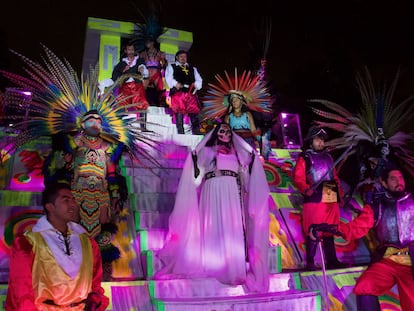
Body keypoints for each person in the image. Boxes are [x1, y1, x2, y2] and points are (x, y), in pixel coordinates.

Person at [155, 122, 270, 292]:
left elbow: (245, 180)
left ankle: (233, 268)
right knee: (213, 225)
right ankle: (211, 264)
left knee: (232, 228)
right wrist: (194, 163)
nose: (225, 133)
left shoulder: (239, 155)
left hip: (231, 193)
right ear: (216, 133)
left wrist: (252, 163)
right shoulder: (207, 152)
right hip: (211, 190)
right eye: (221, 130)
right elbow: (196, 179)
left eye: (228, 131)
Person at [5, 182, 110, 311]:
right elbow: (21, 289)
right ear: (50, 207)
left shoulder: (87, 242)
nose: (73, 204)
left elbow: (95, 283)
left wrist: (94, 303)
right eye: (66, 200)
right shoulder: (28, 242)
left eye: (73, 200)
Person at [336, 164, 414, 311]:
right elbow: (358, 226)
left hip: (412, 262)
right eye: (393, 178)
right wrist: (335, 229)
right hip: (389, 262)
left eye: (400, 177)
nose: (399, 181)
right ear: (383, 183)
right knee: (364, 286)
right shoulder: (376, 205)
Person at [292, 126, 345, 270]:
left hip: (330, 192)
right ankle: (310, 262)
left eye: (322, 139)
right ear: (311, 141)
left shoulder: (328, 157)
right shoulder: (305, 157)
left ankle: (332, 260)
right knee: (314, 229)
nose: (321, 142)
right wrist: (305, 188)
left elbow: (334, 177)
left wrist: (339, 195)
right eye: (317, 139)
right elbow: (298, 177)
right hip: (315, 194)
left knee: (330, 229)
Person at [112, 43, 150, 130]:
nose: (130, 51)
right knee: (121, 102)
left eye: (132, 49)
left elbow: (143, 68)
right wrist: (123, 71)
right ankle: (118, 127)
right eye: (129, 50)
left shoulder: (139, 60)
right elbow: (115, 75)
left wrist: (142, 69)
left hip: (137, 85)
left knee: (142, 102)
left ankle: (143, 127)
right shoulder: (121, 63)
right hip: (125, 86)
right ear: (126, 51)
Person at [164, 50, 202, 135]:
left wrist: (196, 85)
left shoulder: (192, 68)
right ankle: (180, 132)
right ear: (177, 58)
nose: (183, 58)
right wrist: (175, 83)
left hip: (190, 93)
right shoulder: (172, 66)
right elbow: (168, 77)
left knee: (193, 111)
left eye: (185, 57)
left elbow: (199, 80)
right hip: (178, 93)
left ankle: (196, 132)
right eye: (181, 56)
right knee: (179, 110)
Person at [139, 38, 167, 106]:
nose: (146, 43)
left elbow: (165, 64)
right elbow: (139, 63)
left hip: (156, 73)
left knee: (160, 90)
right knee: (142, 89)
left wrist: (163, 62)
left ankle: (162, 105)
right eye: (146, 42)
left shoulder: (160, 53)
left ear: (152, 43)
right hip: (146, 74)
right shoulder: (142, 54)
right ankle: (141, 104)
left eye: (148, 42)